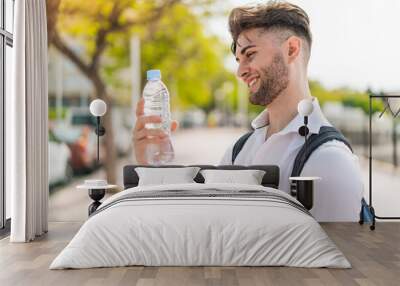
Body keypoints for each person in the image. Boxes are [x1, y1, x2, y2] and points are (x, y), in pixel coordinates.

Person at [132, 1, 363, 222]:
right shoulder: (239, 150)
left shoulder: (329, 161)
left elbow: (335, 255)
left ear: (292, 49)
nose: (240, 71)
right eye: (238, 59)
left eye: (250, 54)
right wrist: (155, 165)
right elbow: (203, 225)